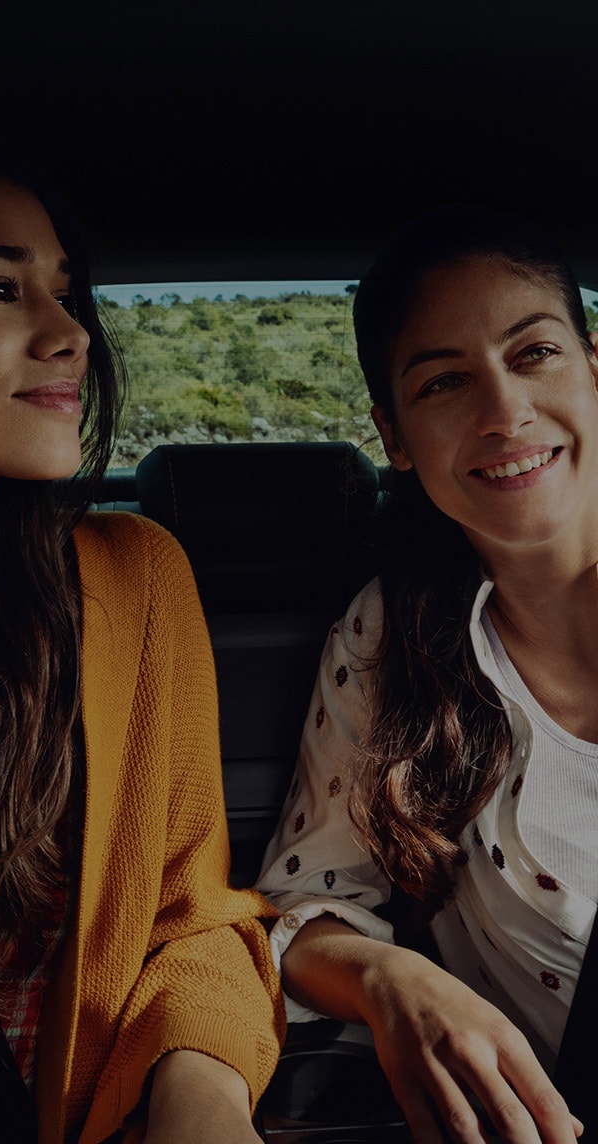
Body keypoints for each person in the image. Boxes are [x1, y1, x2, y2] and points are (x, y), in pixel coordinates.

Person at [0, 148, 284, 1144]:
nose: (70, 335)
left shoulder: (132, 580)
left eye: (69, 294)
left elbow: (191, 915)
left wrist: (204, 1090)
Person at [257, 204, 598, 1143]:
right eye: (445, 382)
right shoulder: (388, 639)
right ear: (395, 437)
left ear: (595, 366)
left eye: (534, 355)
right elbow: (305, 901)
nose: (503, 411)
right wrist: (391, 977)